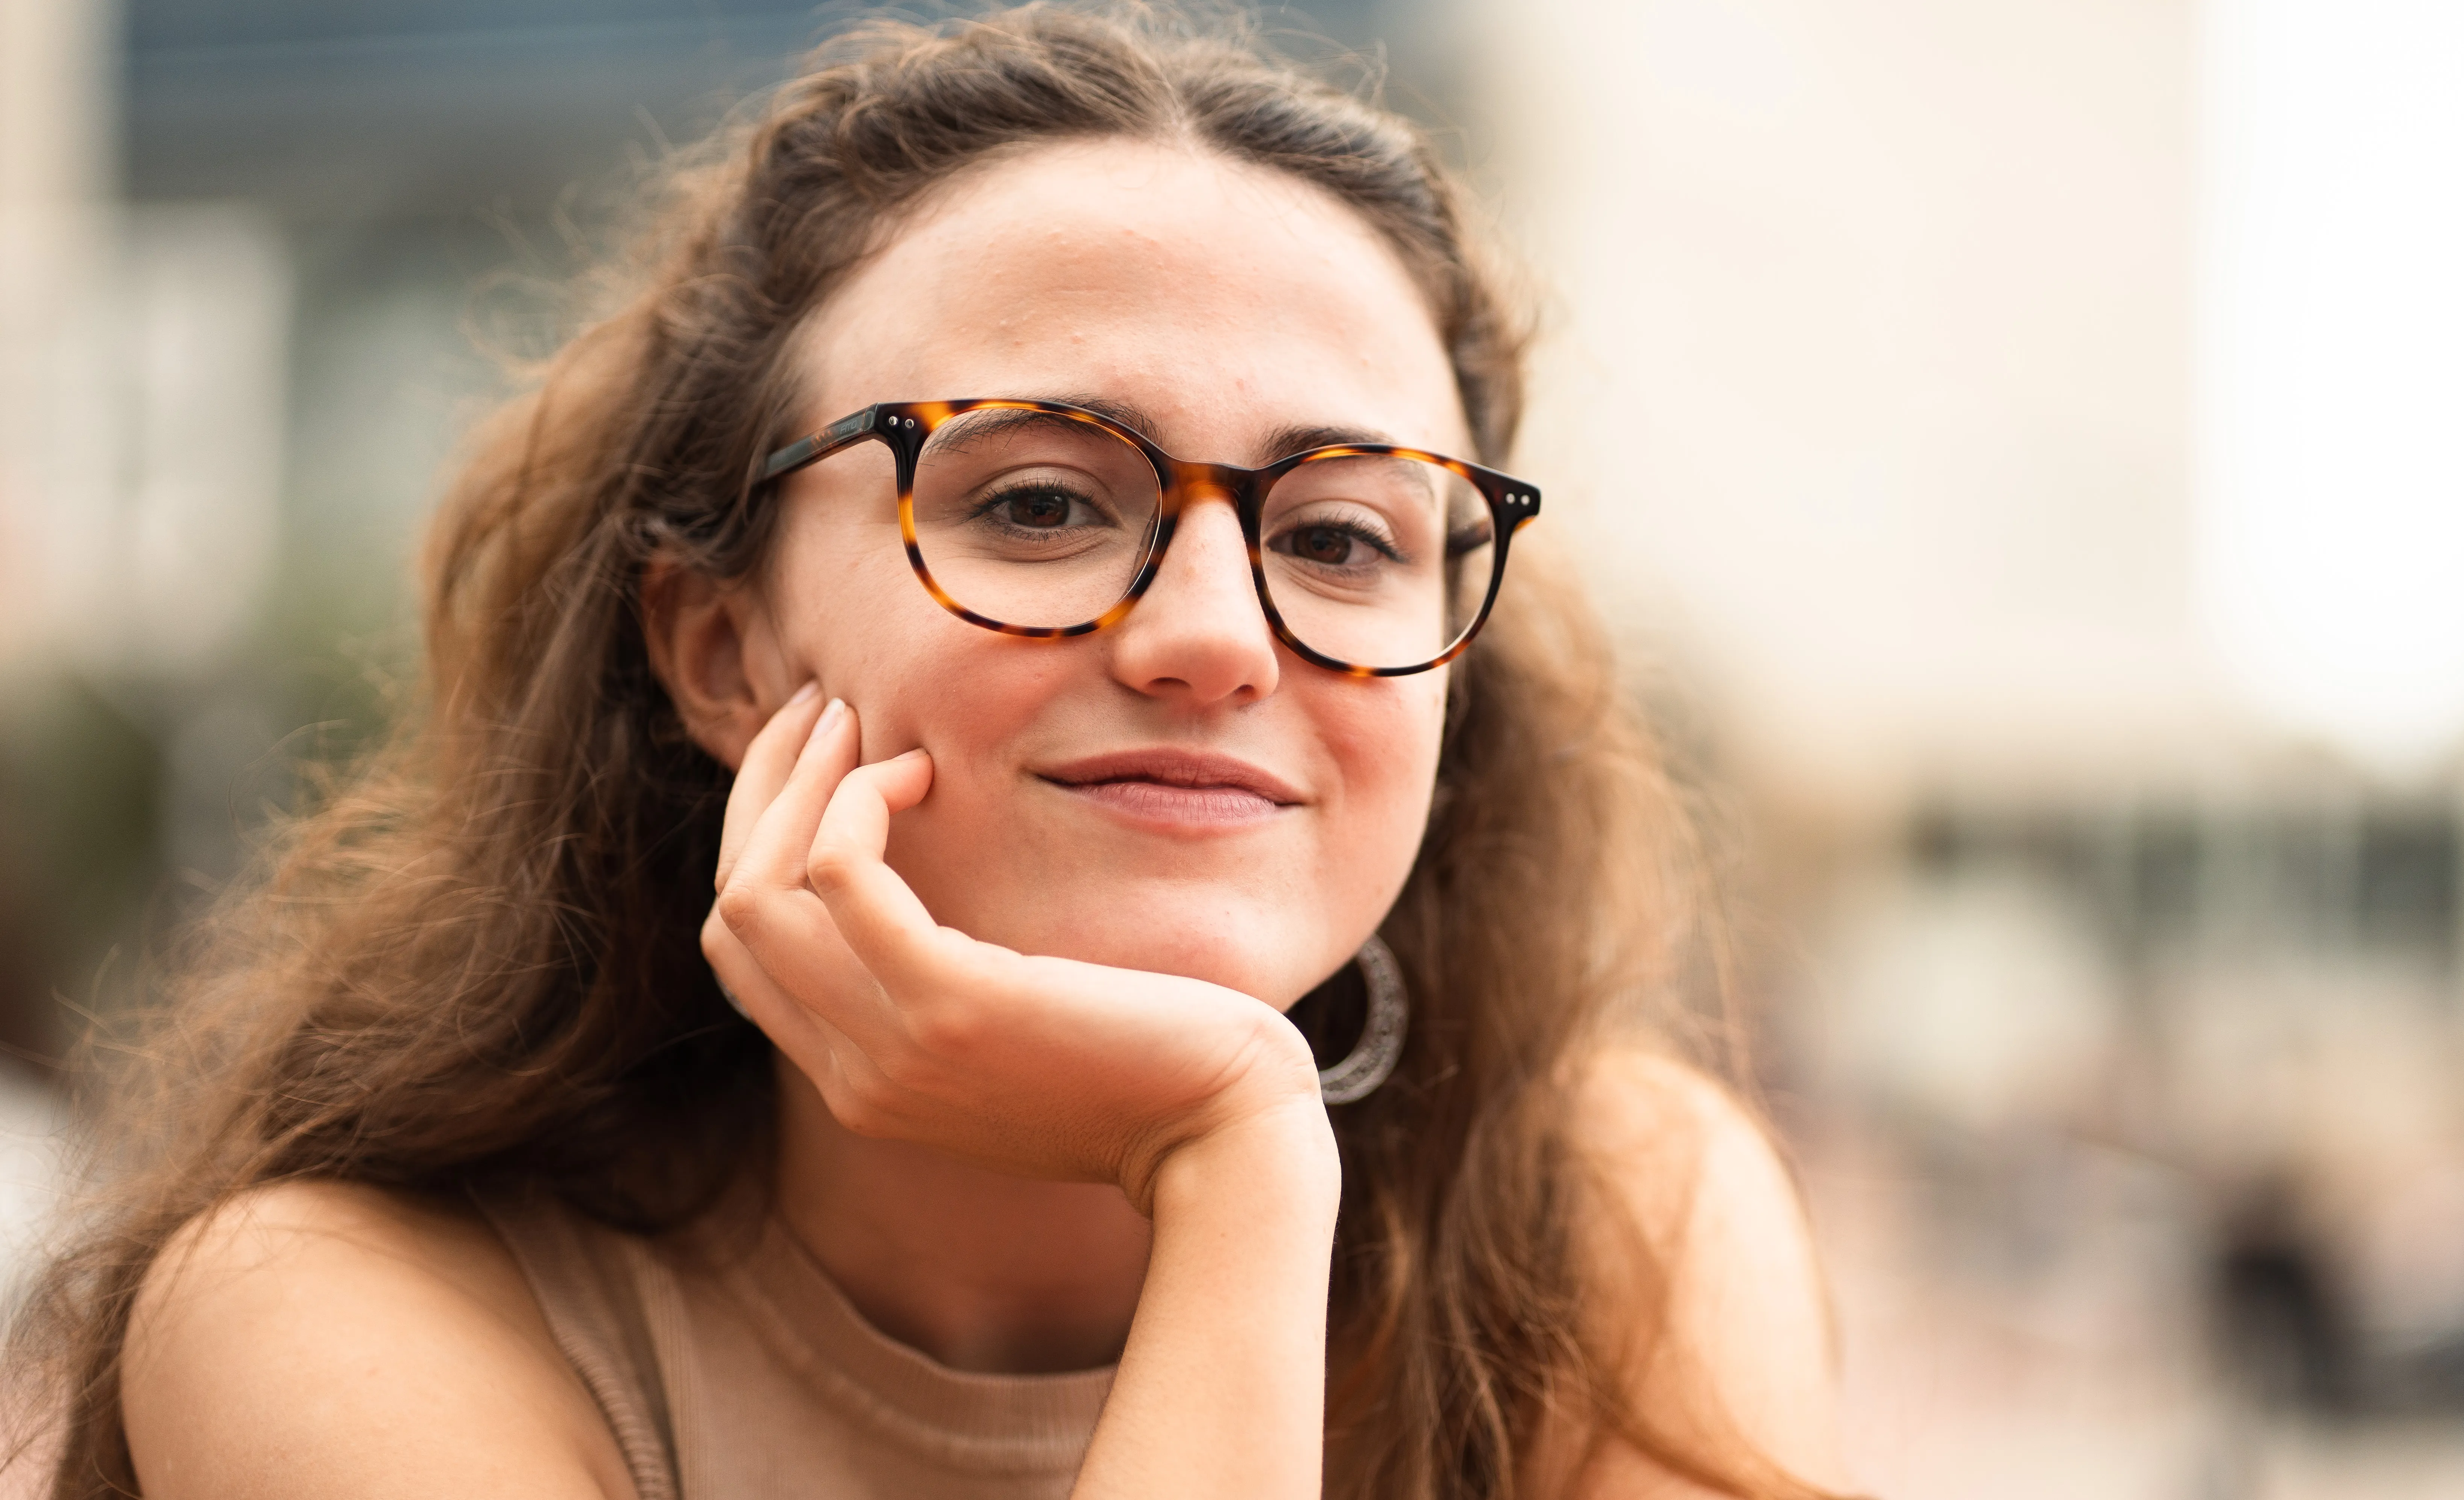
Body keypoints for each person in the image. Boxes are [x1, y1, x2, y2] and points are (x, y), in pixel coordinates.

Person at [5, 8, 1846, 1498]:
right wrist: (1233, 1162)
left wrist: (1237, 1174)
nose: (1216, 632)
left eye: (1344, 537)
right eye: (1041, 500)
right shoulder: (344, 1320)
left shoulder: (1607, 1234)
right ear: (718, 648)